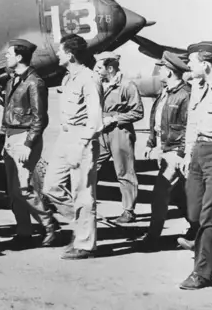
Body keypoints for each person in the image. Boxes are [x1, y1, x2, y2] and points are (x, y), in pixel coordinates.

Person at [178, 41, 212, 290]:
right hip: (199, 151)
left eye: (191, 61)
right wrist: (188, 153)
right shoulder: (198, 86)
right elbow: (193, 122)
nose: (188, 65)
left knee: (211, 214)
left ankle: (201, 273)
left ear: (205, 63)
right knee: (193, 211)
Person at [43, 34, 104, 260]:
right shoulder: (68, 78)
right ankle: (82, 228)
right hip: (65, 135)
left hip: (82, 138)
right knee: (50, 186)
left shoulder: (89, 78)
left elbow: (95, 117)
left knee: (83, 192)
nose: (57, 54)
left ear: (69, 54)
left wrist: (82, 144)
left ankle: (85, 243)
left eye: (60, 51)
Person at [0, 39, 56, 247]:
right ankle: (24, 232)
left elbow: (40, 119)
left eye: (9, 53)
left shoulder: (34, 82)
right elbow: (7, 114)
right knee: (13, 192)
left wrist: (28, 145)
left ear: (19, 57)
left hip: (24, 138)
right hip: (11, 138)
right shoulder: (12, 81)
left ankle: (50, 226)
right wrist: (0, 138)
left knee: (24, 188)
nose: (6, 56)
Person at [136, 51, 194, 249]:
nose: (158, 70)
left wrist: (179, 154)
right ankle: (197, 229)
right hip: (164, 150)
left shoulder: (185, 94)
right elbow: (157, 120)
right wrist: (150, 142)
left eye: (161, 67)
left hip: (174, 153)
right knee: (179, 196)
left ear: (169, 72)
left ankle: (152, 238)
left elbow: (189, 127)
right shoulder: (165, 92)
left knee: (159, 195)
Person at [92, 51, 144, 223]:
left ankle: (128, 210)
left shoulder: (127, 85)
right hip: (100, 132)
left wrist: (114, 118)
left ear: (111, 68)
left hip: (119, 132)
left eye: (100, 67)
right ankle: (86, 207)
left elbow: (138, 112)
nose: (96, 70)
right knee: (90, 167)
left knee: (124, 171)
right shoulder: (97, 83)